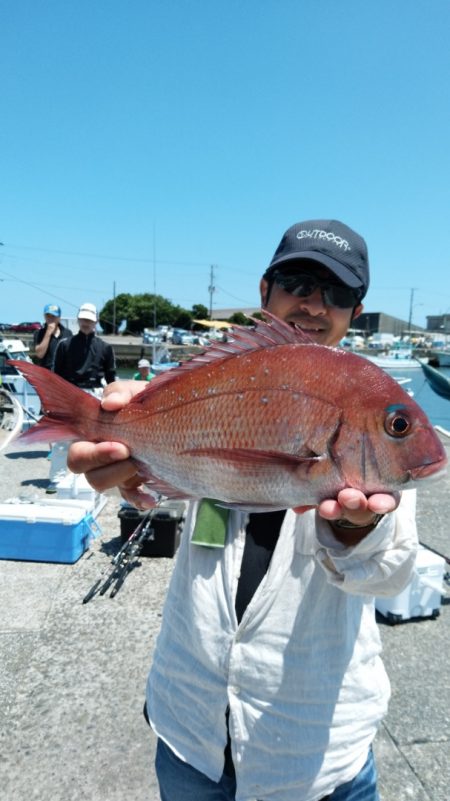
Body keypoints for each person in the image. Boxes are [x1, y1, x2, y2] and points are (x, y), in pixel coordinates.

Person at [68, 219, 418, 801]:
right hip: (190, 731)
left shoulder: (368, 404)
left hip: (316, 752)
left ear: (355, 313)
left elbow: (392, 573)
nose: (314, 304)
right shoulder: (215, 372)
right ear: (264, 291)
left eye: (337, 293)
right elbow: (167, 479)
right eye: (299, 282)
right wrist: (135, 471)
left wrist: (358, 531)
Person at [53, 302, 116, 390]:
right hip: (69, 392)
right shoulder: (64, 345)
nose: (86, 323)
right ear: (78, 319)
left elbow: (111, 378)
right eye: (83, 319)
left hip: (96, 393)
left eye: (89, 320)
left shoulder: (106, 347)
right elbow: (56, 375)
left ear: (96, 321)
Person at [33, 303, 72, 369]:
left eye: (53, 316)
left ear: (59, 318)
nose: (50, 319)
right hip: (46, 373)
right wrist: (48, 333)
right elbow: (40, 355)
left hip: (62, 373)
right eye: (48, 316)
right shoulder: (39, 333)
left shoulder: (67, 333)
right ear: (44, 316)